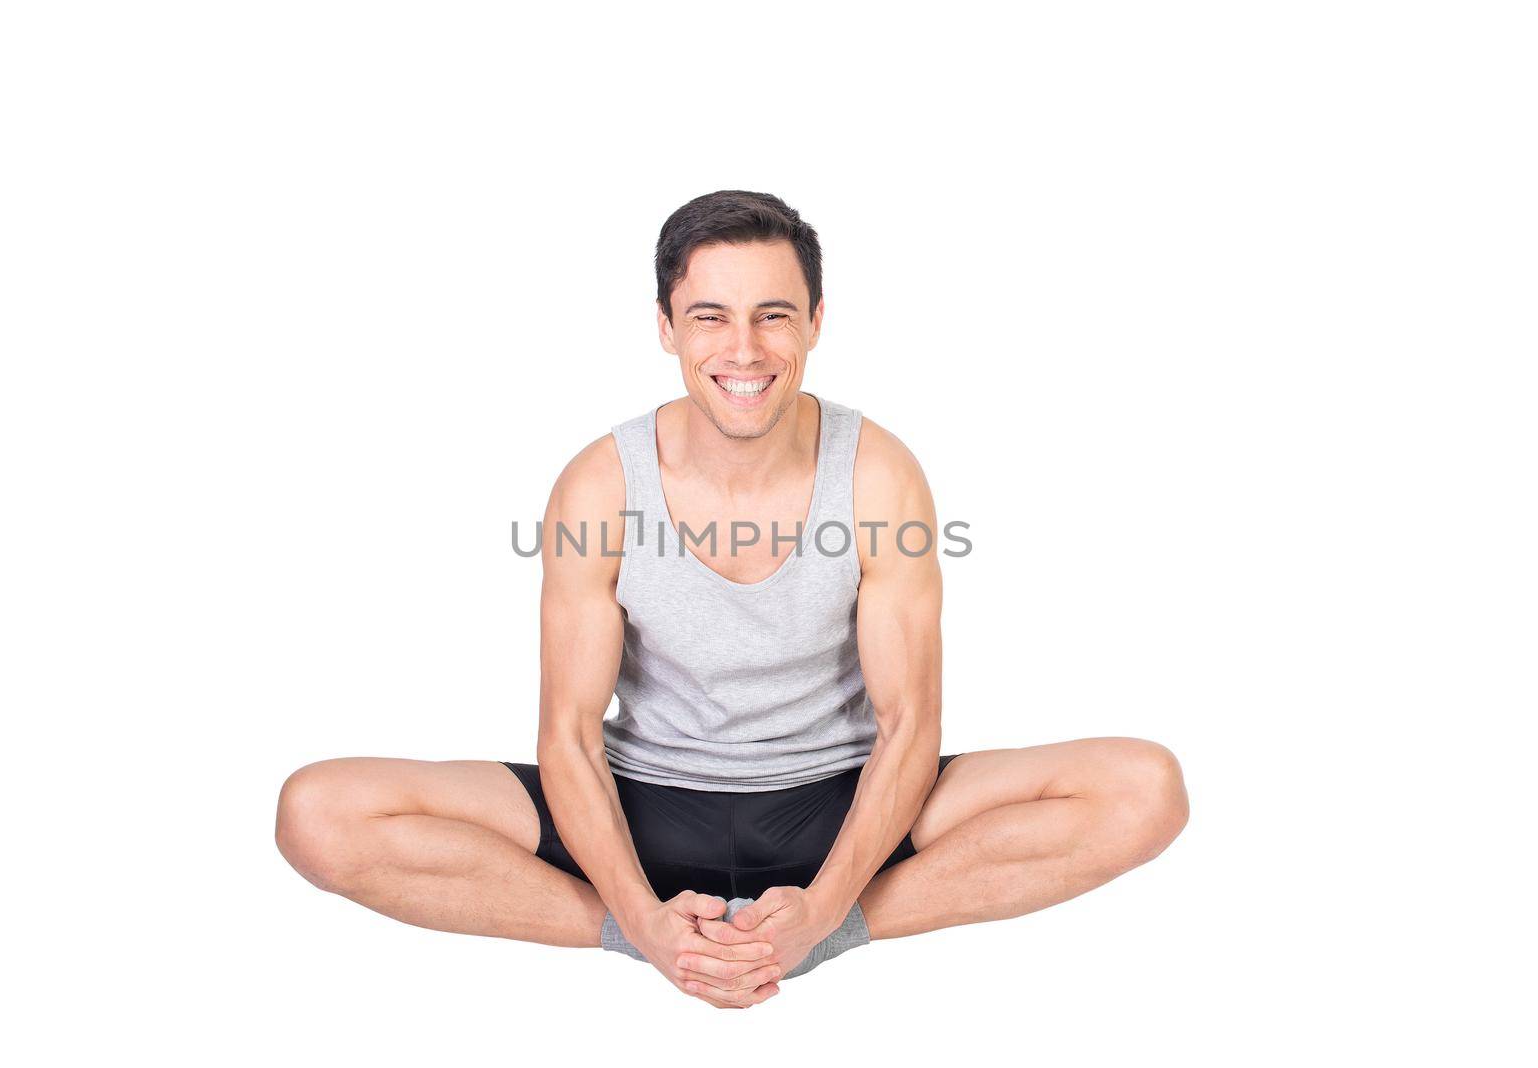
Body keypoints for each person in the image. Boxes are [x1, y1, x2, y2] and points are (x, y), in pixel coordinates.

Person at [275, 189, 1189, 1009]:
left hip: (841, 800)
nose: (743, 350)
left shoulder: (877, 472)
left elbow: (909, 722)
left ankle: (828, 933)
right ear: (667, 327)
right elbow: (566, 735)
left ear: (818, 321)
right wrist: (638, 915)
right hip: (642, 801)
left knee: (1144, 789)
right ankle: (652, 939)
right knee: (317, 812)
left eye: (773, 315)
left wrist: (826, 906)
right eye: (709, 316)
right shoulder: (601, 485)